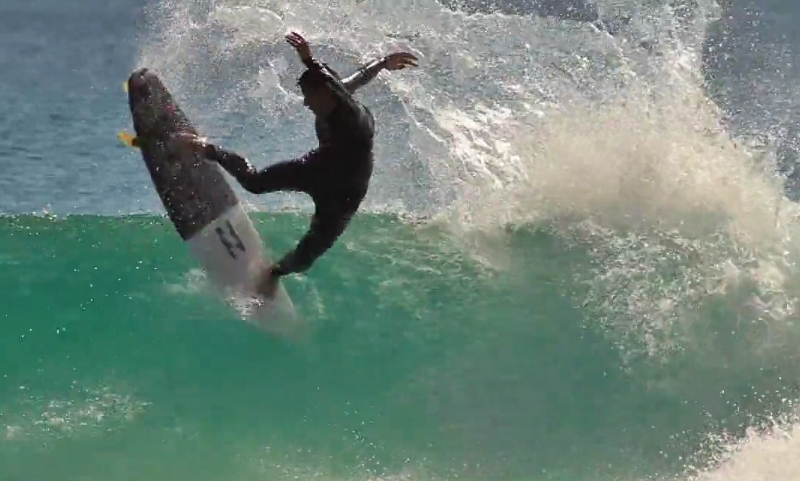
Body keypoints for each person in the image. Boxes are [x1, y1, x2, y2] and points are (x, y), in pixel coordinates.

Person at [177, 31, 419, 297]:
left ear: (325, 93)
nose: (305, 103)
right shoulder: (337, 94)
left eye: (309, 96)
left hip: (346, 193)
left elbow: (333, 85)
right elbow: (361, 75)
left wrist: (309, 60)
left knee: (307, 256)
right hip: (316, 169)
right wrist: (383, 62)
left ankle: (274, 273)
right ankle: (206, 148)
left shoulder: (351, 116)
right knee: (255, 183)